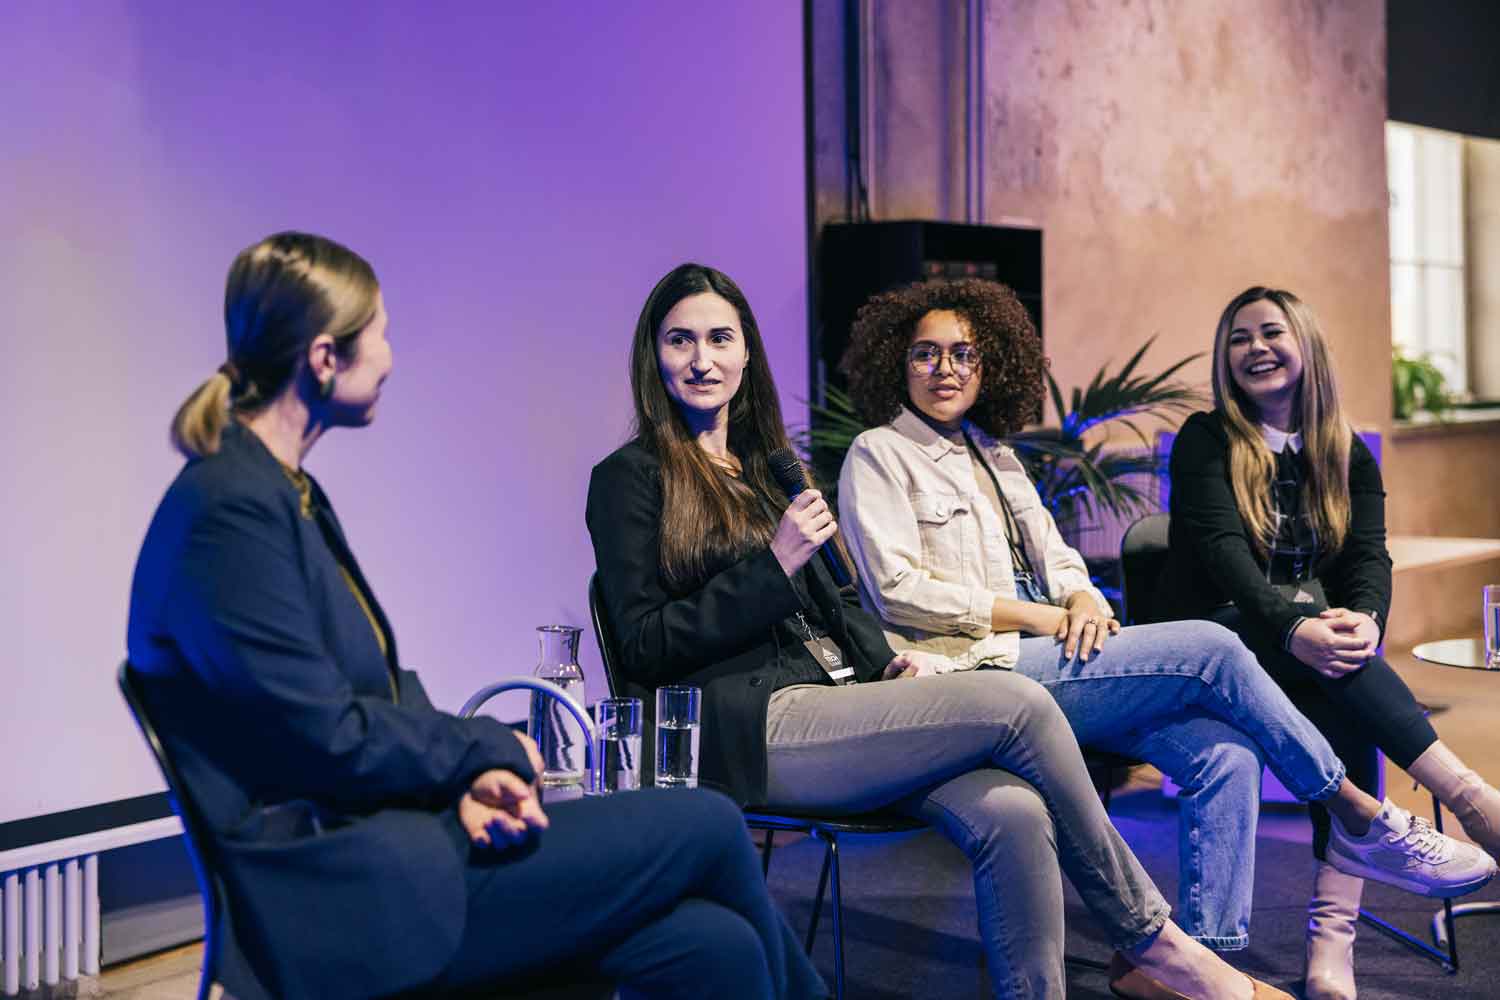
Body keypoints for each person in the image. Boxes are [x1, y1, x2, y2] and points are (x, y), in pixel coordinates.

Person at [126, 233, 826, 1000]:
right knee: (710, 825)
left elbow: (380, 693)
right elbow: (320, 735)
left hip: (398, 844)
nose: (391, 357)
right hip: (345, 894)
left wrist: (466, 778)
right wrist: (488, 747)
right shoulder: (230, 512)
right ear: (325, 358)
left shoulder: (277, 492)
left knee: (709, 945)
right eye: (381, 334)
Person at [586, 262, 1308, 1000]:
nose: (701, 359)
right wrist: (772, 565)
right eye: (681, 340)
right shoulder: (629, 478)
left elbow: (844, 608)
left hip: (845, 703)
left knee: (1015, 812)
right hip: (752, 728)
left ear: (746, 355)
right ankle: (1164, 947)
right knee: (1019, 701)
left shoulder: (771, 470)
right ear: (656, 355)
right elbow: (642, 642)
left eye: (719, 339)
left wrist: (886, 667)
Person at [832, 276, 1495, 960]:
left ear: (989, 364)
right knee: (1211, 645)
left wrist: (1083, 598)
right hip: (978, 669)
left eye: (965, 354)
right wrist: (1041, 618)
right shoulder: (878, 454)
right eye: (926, 354)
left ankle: (1206, 962)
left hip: (1057, 664)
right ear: (896, 363)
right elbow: (898, 589)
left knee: (1226, 756)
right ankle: (1359, 812)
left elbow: (1060, 560)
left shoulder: (996, 457)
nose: (948, 370)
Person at [1159, 285, 1500, 999]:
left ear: (1305, 345)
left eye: (1270, 332)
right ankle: (1469, 801)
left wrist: (1366, 619)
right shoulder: (1206, 439)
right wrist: (1295, 627)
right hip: (1211, 643)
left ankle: (1332, 942)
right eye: (1238, 337)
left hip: (1304, 645)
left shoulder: (1344, 450)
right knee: (1333, 662)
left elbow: (1368, 559)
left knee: (1344, 664)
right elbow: (1225, 557)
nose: (1254, 348)